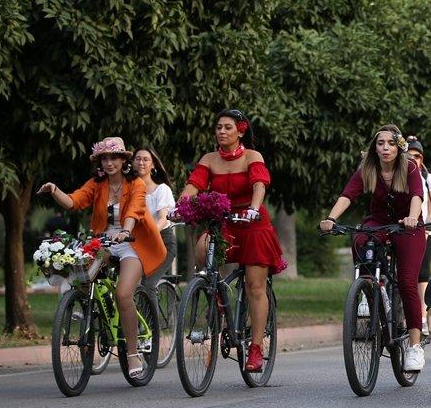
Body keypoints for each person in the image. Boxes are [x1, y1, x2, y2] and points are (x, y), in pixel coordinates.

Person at [39, 137, 167, 379]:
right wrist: (54, 190)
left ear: (123, 160)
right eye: (104, 158)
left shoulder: (136, 184)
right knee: (80, 274)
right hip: (104, 243)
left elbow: (134, 211)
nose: (109, 163)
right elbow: (74, 201)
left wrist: (125, 232)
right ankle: (88, 311)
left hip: (132, 243)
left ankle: (132, 353)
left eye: (114, 157)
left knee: (123, 294)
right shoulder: (97, 184)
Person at [180, 109, 284, 373]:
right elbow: (193, 185)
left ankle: (256, 349)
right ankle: (215, 292)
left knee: (255, 287)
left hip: (252, 223)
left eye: (228, 127)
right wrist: (180, 206)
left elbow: (259, 184)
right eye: (218, 127)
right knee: (202, 248)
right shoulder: (209, 159)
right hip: (224, 222)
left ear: (240, 131)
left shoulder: (252, 156)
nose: (222, 132)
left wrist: (253, 208)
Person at [321, 124, 427, 370]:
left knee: (407, 282)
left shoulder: (409, 167)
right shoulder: (367, 168)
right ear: (374, 148)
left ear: (399, 147)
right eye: (381, 144)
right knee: (360, 238)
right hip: (378, 222)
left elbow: (417, 195)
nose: (386, 148)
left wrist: (412, 217)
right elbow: (348, 195)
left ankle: (415, 347)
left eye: (391, 143)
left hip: (407, 226)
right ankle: (367, 289)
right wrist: (331, 218)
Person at [407, 136, 431, 334]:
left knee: (422, 275)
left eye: (417, 156)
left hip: (423, 229)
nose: (413, 159)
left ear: (422, 158)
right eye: (409, 155)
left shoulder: (429, 179)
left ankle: (422, 319)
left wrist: (428, 228)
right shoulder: (399, 175)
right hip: (402, 229)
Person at [133, 146, 176, 288]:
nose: (141, 162)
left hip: (162, 242)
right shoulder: (129, 190)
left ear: (153, 165)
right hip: (137, 242)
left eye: (146, 160)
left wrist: (150, 234)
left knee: (148, 284)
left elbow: (163, 219)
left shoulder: (161, 189)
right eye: (138, 159)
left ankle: (151, 304)